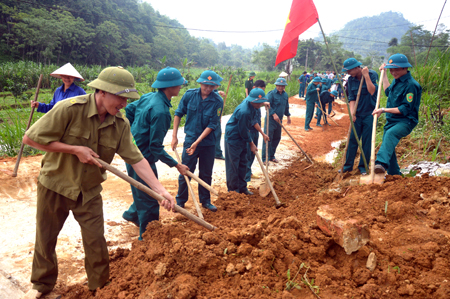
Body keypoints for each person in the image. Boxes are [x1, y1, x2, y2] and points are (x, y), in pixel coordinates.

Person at [21, 67, 175, 298]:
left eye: (126, 98)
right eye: (120, 97)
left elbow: (136, 158)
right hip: (55, 183)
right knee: (46, 237)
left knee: (95, 240)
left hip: (89, 189)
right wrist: (74, 150)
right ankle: (42, 286)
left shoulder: (120, 124)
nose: (124, 103)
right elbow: (30, 138)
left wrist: (160, 190)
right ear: (102, 92)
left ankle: (100, 287)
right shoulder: (69, 109)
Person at [121, 67, 189, 240]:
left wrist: (132, 134)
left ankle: (132, 214)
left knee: (143, 192)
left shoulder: (148, 97)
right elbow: (155, 148)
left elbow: (129, 110)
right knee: (151, 201)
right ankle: (147, 239)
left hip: (133, 153)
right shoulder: (161, 113)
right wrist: (176, 165)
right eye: (178, 84)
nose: (180, 86)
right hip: (142, 159)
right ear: (170, 87)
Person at [171, 70, 223, 212]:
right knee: (185, 171)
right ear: (200, 83)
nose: (208, 89)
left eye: (211, 86)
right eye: (205, 85)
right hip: (190, 141)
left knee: (206, 173)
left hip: (208, 143)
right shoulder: (189, 95)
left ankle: (205, 201)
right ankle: (180, 201)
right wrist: (174, 136)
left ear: (215, 87)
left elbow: (212, 125)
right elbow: (178, 113)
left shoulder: (218, 101)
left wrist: (197, 142)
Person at [373, 54, 422, 175]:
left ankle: (380, 163)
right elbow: (387, 91)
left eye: (396, 69)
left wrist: (383, 110)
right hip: (392, 120)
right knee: (388, 146)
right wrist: (384, 74)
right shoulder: (396, 81)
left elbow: (404, 109)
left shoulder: (411, 85)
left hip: (405, 121)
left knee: (390, 134)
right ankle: (394, 174)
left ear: (405, 68)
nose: (393, 72)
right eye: (391, 70)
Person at [225, 88, 269, 194]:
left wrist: (262, 134)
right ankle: (233, 191)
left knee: (243, 162)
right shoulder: (244, 111)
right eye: (258, 103)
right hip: (234, 137)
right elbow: (243, 131)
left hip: (243, 135)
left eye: (261, 102)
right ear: (252, 100)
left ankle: (242, 187)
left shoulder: (253, 105)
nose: (260, 105)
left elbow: (251, 123)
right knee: (233, 165)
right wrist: (251, 143)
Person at [340, 58, 378, 174]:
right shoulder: (350, 80)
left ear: (357, 67)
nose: (348, 73)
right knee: (352, 139)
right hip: (357, 114)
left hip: (369, 114)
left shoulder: (371, 74)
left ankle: (363, 167)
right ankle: (347, 167)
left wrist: (365, 76)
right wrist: (352, 113)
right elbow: (351, 97)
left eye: (349, 71)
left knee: (366, 141)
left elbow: (372, 91)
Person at [245, 80, 270, 185]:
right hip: (250, 131)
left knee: (252, 154)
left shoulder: (257, 103)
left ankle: (248, 173)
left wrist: (264, 103)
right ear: (254, 87)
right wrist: (263, 133)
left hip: (255, 131)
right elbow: (254, 121)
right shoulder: (250, 104)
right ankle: (245, 177)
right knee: (248, 154)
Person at [262, 78, 291, 163]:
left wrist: (288, 115)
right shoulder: (271, 94)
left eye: (282, 86)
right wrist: (273, 114)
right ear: (276, 85)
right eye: (279, 85)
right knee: (268, 138)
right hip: (270, 120)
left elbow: (286, 106)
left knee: (277, 138)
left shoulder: (285, 95)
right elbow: (267, 105)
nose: (280, 87)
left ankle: (271, 156)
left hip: (279, 121)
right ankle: (265, 158)